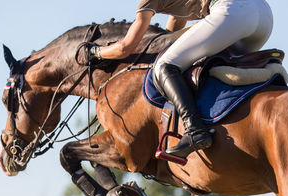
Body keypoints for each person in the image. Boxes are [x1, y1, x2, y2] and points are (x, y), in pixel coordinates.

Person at [90, 0, 273, 159]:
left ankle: (195, 130)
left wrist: (95, 51)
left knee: (164, 66)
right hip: (263, 16)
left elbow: (124, 49)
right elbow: (176, 21)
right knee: (209, 61)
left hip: (232, 10)